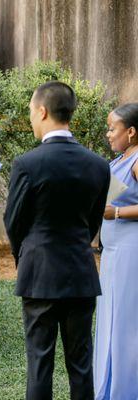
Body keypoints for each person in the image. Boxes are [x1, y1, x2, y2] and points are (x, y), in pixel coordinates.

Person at [4, 81, 109, 399]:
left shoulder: (27, 164)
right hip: (80, 270)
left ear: (42, 111)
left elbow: (13, 222)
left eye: (31, 114)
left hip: (39, 272)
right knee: (81, 365)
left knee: (40, 363)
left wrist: (24, 256)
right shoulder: (98, 164)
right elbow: (94, 219)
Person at [93, 103, 138, 400]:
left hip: (131, 250)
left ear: (131, 132)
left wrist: (118, 214)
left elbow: (114, 209)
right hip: (112, 250)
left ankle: (125, 388)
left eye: (113, 128)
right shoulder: (120, 160)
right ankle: (109, 384)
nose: (108, 134)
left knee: (126, 319)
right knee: (111, 315)